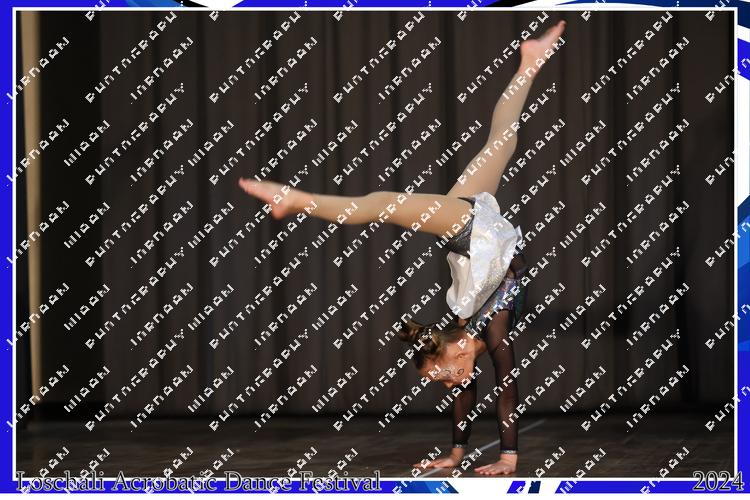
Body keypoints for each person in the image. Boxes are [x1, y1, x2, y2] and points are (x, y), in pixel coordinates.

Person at [238, 19, 567, 476]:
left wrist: (494, 457)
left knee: (387, 203)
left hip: (468, 227)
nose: (450, 383)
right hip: (476, 225)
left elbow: (479, 387)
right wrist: (469, 455)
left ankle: (295, 199)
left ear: (454, 351)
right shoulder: (488, 334)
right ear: (458, 354)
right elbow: (505, 387)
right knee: (500, 141)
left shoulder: (465, 325)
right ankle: (530, 61)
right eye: (446, 379)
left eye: (442, 376)